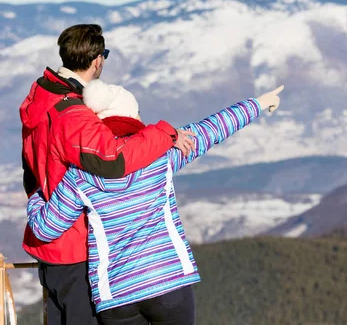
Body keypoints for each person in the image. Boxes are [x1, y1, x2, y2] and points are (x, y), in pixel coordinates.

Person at [26, 79, 284, 325]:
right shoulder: (162, 154)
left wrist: (37, 193)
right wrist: (257, 104)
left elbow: (46, 228)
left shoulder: (80, 174)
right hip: (168, 282)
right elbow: (213, 128)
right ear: (133, 116)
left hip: (116, 296)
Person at [19, 24, 195, 325]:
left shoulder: (41, 98)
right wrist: (166, 133)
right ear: (97, 60)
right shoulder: (73, 115)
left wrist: (38, 201)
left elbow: (30, 170)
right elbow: (115, 160)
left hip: (51, 250)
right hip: (76, 249)